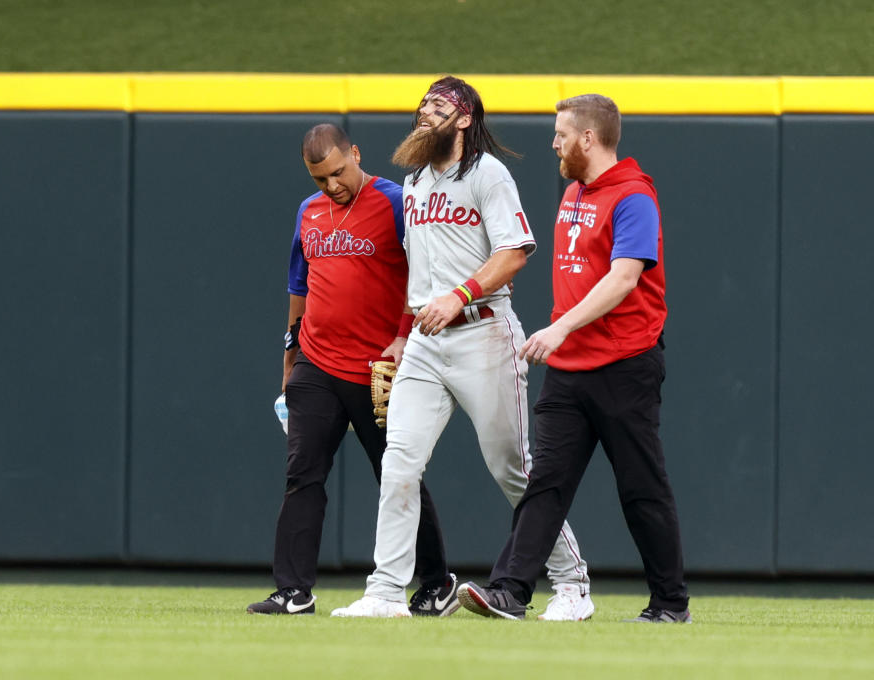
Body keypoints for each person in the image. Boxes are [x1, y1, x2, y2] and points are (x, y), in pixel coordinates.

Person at [332, 76, 592, 620]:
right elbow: (419, 274)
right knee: (399, 462)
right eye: (423, 104)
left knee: (513, 468)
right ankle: (385, 591)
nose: (426, 112)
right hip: (427, 343)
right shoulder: (416, 182)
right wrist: (403, 335)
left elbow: (516, 251)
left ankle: (572, 583)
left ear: (466, 117)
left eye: (439, 106)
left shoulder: (487, 174)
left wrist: (459, 295)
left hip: (484, 332)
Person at [456, 94, 692, 622]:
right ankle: (509, 592)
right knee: (546, 484)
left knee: (641, 488)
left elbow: (624, 277)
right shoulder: (573, 192)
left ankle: (671, 604)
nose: (554, 142)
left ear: (589, 137)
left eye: (562, 133)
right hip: (568, 371)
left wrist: (558, 327)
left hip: (624, 365)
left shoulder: (633, 196)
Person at [247, 124, 459, 617]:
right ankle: (293, 590)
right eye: (320, 178)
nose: (332, 185)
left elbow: (425, 273)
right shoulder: (309, 211)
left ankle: (436, 581)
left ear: (356, 154)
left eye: (339, 172)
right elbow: (298, 290)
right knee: (303, 475)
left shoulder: (395, 202)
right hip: (317, 365)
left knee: (398, 474)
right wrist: (289, 363)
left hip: (378, 369)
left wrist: (406, 336)